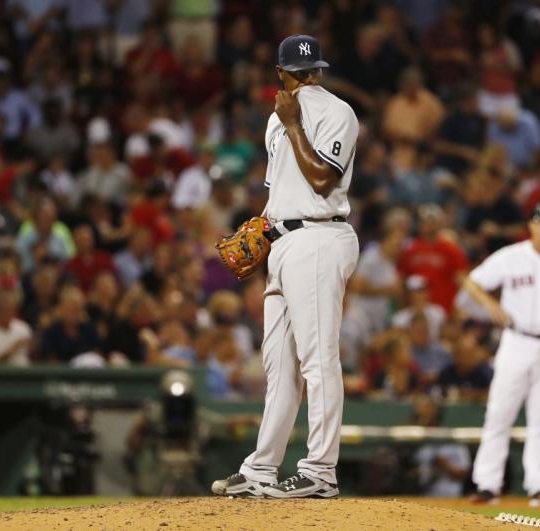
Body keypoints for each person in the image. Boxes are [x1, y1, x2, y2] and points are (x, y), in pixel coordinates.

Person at [211, 35, 359, 500]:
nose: (306, 78)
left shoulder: (336, 112)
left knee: (318, 361)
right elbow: (282, 192)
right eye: (301, 72)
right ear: (283, 73)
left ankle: (320, 470)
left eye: (311, 70)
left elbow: (321, 180)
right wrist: (266, 229)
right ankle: (261, 469)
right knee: (279, 366)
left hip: (321, 236)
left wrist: (294, 123)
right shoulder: (274, 120)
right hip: (286, 242)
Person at [465, 199, 540, 506]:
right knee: (499, 414)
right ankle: (487, 484)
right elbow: (473, 281)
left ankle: (539, 485)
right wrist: (490, 304)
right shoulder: (511, 257)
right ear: (531, 225)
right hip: (516, 341)